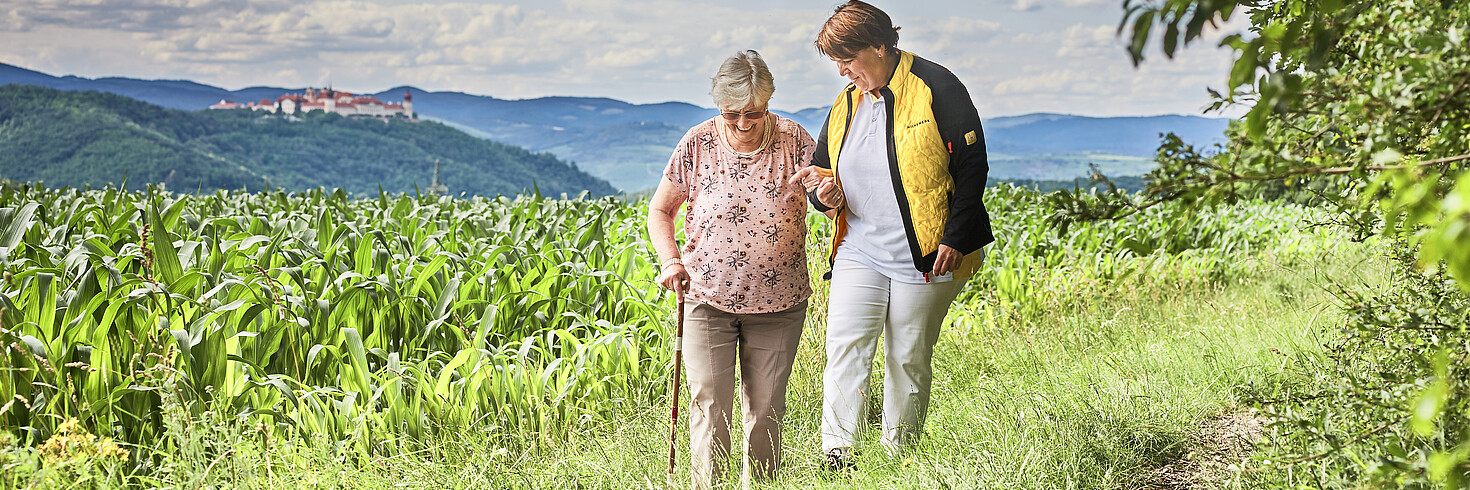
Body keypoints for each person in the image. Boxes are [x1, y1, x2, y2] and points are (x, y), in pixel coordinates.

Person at [791, 0, 994, 470]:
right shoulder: (846, 103)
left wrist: (956, 235)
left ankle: (898, 458)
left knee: (906, 357)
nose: (841, 71)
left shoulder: (937, 86)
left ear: (879, 47)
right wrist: (825, 195)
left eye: (847, 59)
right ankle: (838, 456)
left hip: (926, 253)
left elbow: (972, 167)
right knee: (845, 346)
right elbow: (822, 175)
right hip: (859, 247)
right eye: (835, 62)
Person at [647, 50, 816, 489]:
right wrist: (670, 261)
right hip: (706, 297)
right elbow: (660, 210)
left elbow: (827, 199)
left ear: (769, 102)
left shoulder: (796, 140)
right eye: (732, 113)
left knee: (766, 413)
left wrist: (831, 195)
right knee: (710, 406)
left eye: (755, 113)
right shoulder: (696, 143)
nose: (744, 123)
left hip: (780, 302)